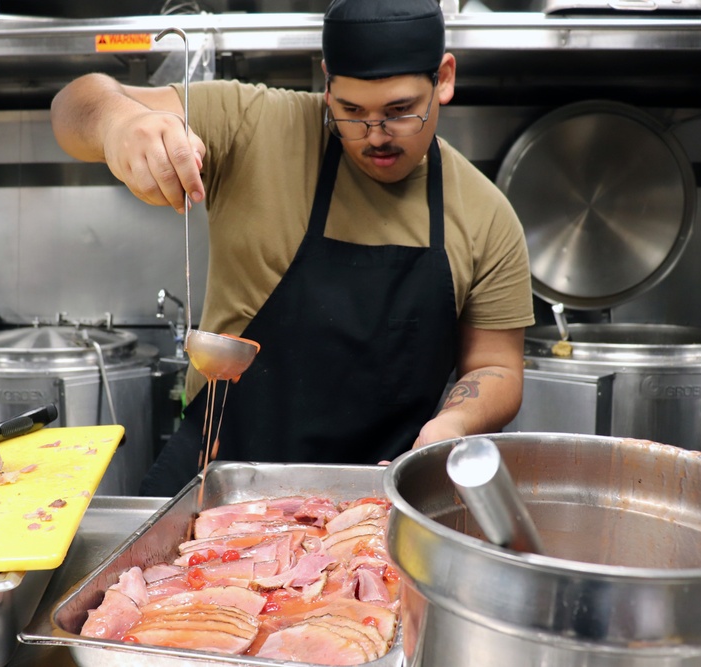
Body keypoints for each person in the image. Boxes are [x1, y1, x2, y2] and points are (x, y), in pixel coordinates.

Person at [50, 0, 535, 497]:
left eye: (399, 112)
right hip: (221, 477)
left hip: (376, 494)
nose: (375, 137)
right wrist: (119, 124)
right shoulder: (254, 126)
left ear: (445, 79)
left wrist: (451, 425)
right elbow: (76, 102)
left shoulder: (485, 214)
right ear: (327, 84)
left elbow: (495, 367)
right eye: (351, 112)